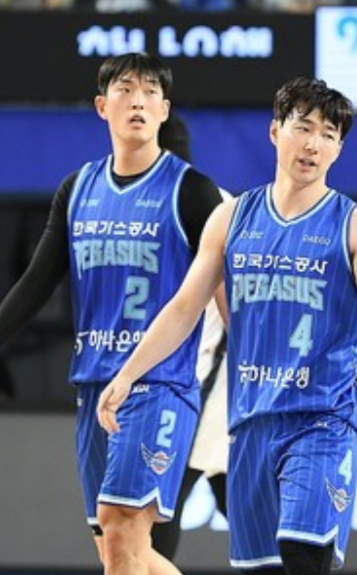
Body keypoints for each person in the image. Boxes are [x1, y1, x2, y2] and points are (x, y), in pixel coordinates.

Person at [92, 76, 357, 575]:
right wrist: (127, 374)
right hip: (250, 424)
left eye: (329, 135)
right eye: (304, 127)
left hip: (320, 422)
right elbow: (184, 308)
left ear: (338, 150)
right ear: (276, 132)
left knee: (303, 554)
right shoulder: (231, 218)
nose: (313, 144)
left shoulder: (356, 226)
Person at [0, 53, 225, 575]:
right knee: (118, 548)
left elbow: (225, 292)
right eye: (126, 89)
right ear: (102, 106)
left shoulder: (193, 191)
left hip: (159, 382)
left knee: (122, 527)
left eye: (150, 92)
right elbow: (40, 277)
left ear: (164, 110)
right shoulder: (78, 189)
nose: (138, 101)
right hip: (95, 383)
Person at [149, 110, 231, 561]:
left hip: (202, 378)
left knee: (158, 504)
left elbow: (232, 302)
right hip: (163, 375)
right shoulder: (140, 199)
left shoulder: (210, 205)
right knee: (232, 498)